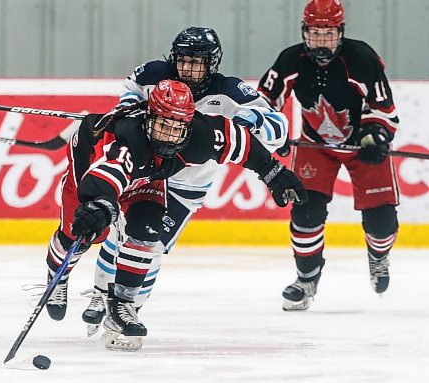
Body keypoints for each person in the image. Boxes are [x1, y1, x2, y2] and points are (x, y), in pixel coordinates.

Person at [45, 79, 307, 350]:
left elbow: (242, 143)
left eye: (177, 127)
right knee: (84, 234)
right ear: (149, 119)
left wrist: (274, 173)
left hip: (150, 174)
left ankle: (122, 304)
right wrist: (99, 205)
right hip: (90, 157)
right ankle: (57, 277)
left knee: (147, 230)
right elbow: (104, 176)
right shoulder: (129, 138)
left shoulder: (202, 133)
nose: (169, 135)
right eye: (163, 125)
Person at [78, 26, 293, 335]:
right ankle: (100, 294)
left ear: (213, 63)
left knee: (151, 245)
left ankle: (127, 310)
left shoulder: (231, 91)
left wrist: (257, 121)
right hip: (148, 170)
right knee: (118, 236)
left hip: (187, 184)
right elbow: (129, 94)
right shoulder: (153, 73)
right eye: (184, 60)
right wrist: (126, 112)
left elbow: (277, 127)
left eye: (198, 62)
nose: (190, 69)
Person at [257, 0, 399, 311]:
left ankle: (378, 256)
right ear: (305, 32)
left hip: (362, 145)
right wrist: (273, 134)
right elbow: (263, 103)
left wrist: (377, 135)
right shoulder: (290, 59)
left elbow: (383, 107)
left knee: (382, 222)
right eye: (316, 34)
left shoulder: (361, 58)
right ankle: (306, 280)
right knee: (305, 213)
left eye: (329, 33)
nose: (322, 41)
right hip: (315, 146)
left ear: (341, 32)